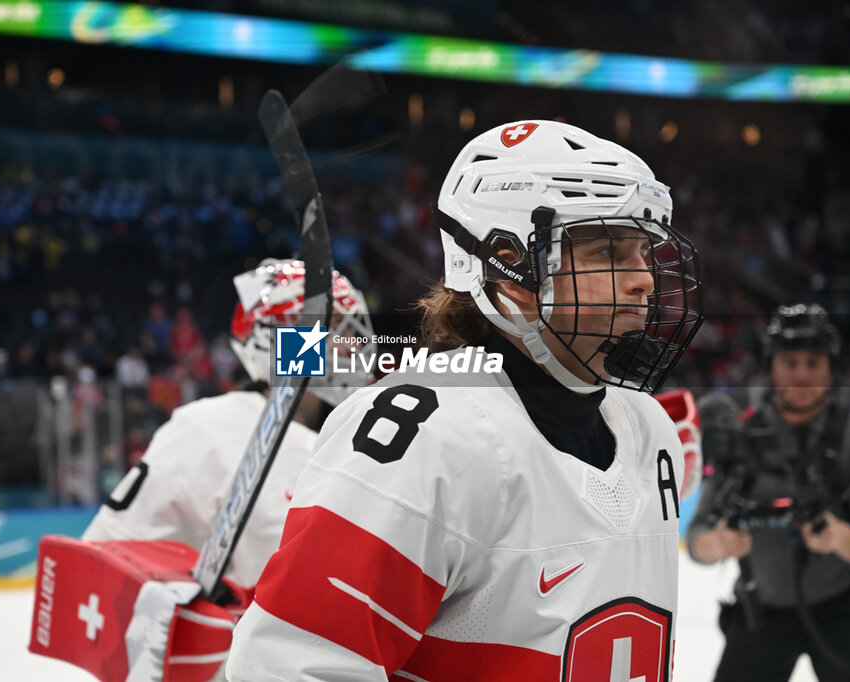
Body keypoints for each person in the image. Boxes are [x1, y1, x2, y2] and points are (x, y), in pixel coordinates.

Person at [226, 120, 703, 681]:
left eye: (643, 252)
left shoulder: (646, 425)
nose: (645, 280)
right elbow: (292, 668)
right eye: (607, 250)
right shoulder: (423, 434)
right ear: (510, 264)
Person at [84, 257, 375, 589]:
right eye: (337, 327)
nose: (354, 345)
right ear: (284, 339)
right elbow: (100, 555)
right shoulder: (207, 429)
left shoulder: (353, 437)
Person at [687, 303, 850, 682]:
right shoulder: (740, 435)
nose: (802, 374)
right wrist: (719, 543)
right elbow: (697, 537)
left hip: (843, 608)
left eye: (814, 363)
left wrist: (842, 537)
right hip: (761, 607)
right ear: (771, 367)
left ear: (831, 369)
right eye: (790, 363)